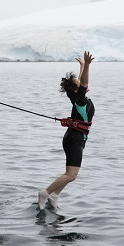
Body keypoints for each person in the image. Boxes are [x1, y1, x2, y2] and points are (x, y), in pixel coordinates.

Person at [37, 51, 95, 210]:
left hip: (75, 138)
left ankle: (55, 195)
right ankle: (45, 193)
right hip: (74, 139)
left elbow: (81, 84)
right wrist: (87, 66)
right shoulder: (80, 100)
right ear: (77, 90)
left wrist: (82, 66)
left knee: (70, 175)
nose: (84, 84)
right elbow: (83, 84)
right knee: (71, 175)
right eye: (80, 84)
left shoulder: (77, 97)